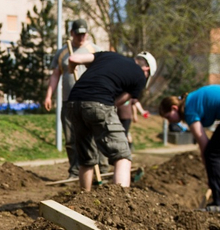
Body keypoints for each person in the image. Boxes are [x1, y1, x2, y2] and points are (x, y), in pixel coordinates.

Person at [65, 51, 157, 190]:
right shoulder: (140, 76)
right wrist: (102, 110)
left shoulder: (108, 55)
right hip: (99, 101)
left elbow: (73, 58)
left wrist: (72, 69)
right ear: (147, 69)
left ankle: (84, 198)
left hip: (73, 103)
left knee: (86, 158)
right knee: (123, 156)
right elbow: (119, 101)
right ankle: (120, 203)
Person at [43, 19, 104, 179]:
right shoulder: (63, 52)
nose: (81, 37)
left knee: (94, 137)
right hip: (69, 102)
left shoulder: (95, 50)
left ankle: (100, 170)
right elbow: (56, 74)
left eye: (84, 34)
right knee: (71, 139)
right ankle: (75, 171)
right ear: (72, 33)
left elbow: (103, 74)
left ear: (87, 33)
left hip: (91, 101)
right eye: (78, 34)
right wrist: (49, 95)